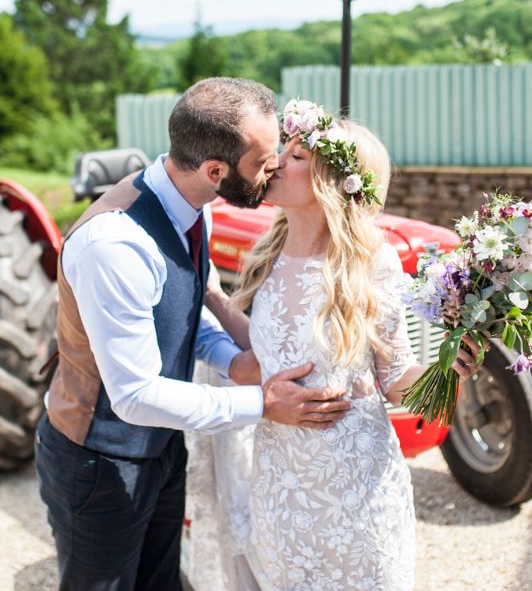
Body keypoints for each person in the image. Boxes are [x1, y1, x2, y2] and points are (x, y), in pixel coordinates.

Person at [34, 79, 351, 591]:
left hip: (162, 448)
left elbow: (181, 317)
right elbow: (134, 395)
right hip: (99, 460)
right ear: (216, 170)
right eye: (265, 160)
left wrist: (231, 360)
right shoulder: (115, 246)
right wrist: (262, 403)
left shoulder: (191, 203)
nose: (273, 169)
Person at [194, 100, 481, 591]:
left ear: (332, 181)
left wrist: (449, 372)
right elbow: (268, 352)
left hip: (354, 489)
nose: (276, 162)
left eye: (297, 156)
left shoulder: (372, 264)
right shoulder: (267, 254)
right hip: (280, 488)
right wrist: (217, 300)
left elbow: (395, 380)